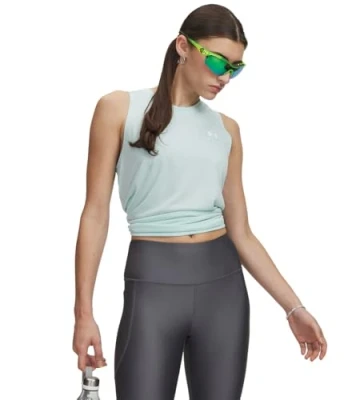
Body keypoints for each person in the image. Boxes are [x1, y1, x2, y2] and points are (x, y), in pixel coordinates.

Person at [72, 3, 327, 400]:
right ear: (183, 47)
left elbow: (241, 233)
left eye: (235, 68)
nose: (224, 76)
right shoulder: (118, 108)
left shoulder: (227, 130)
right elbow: (95, 213)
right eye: (217, 61)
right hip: (152, 286)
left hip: (223, 290)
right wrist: (83, 313)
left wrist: (294, 308)